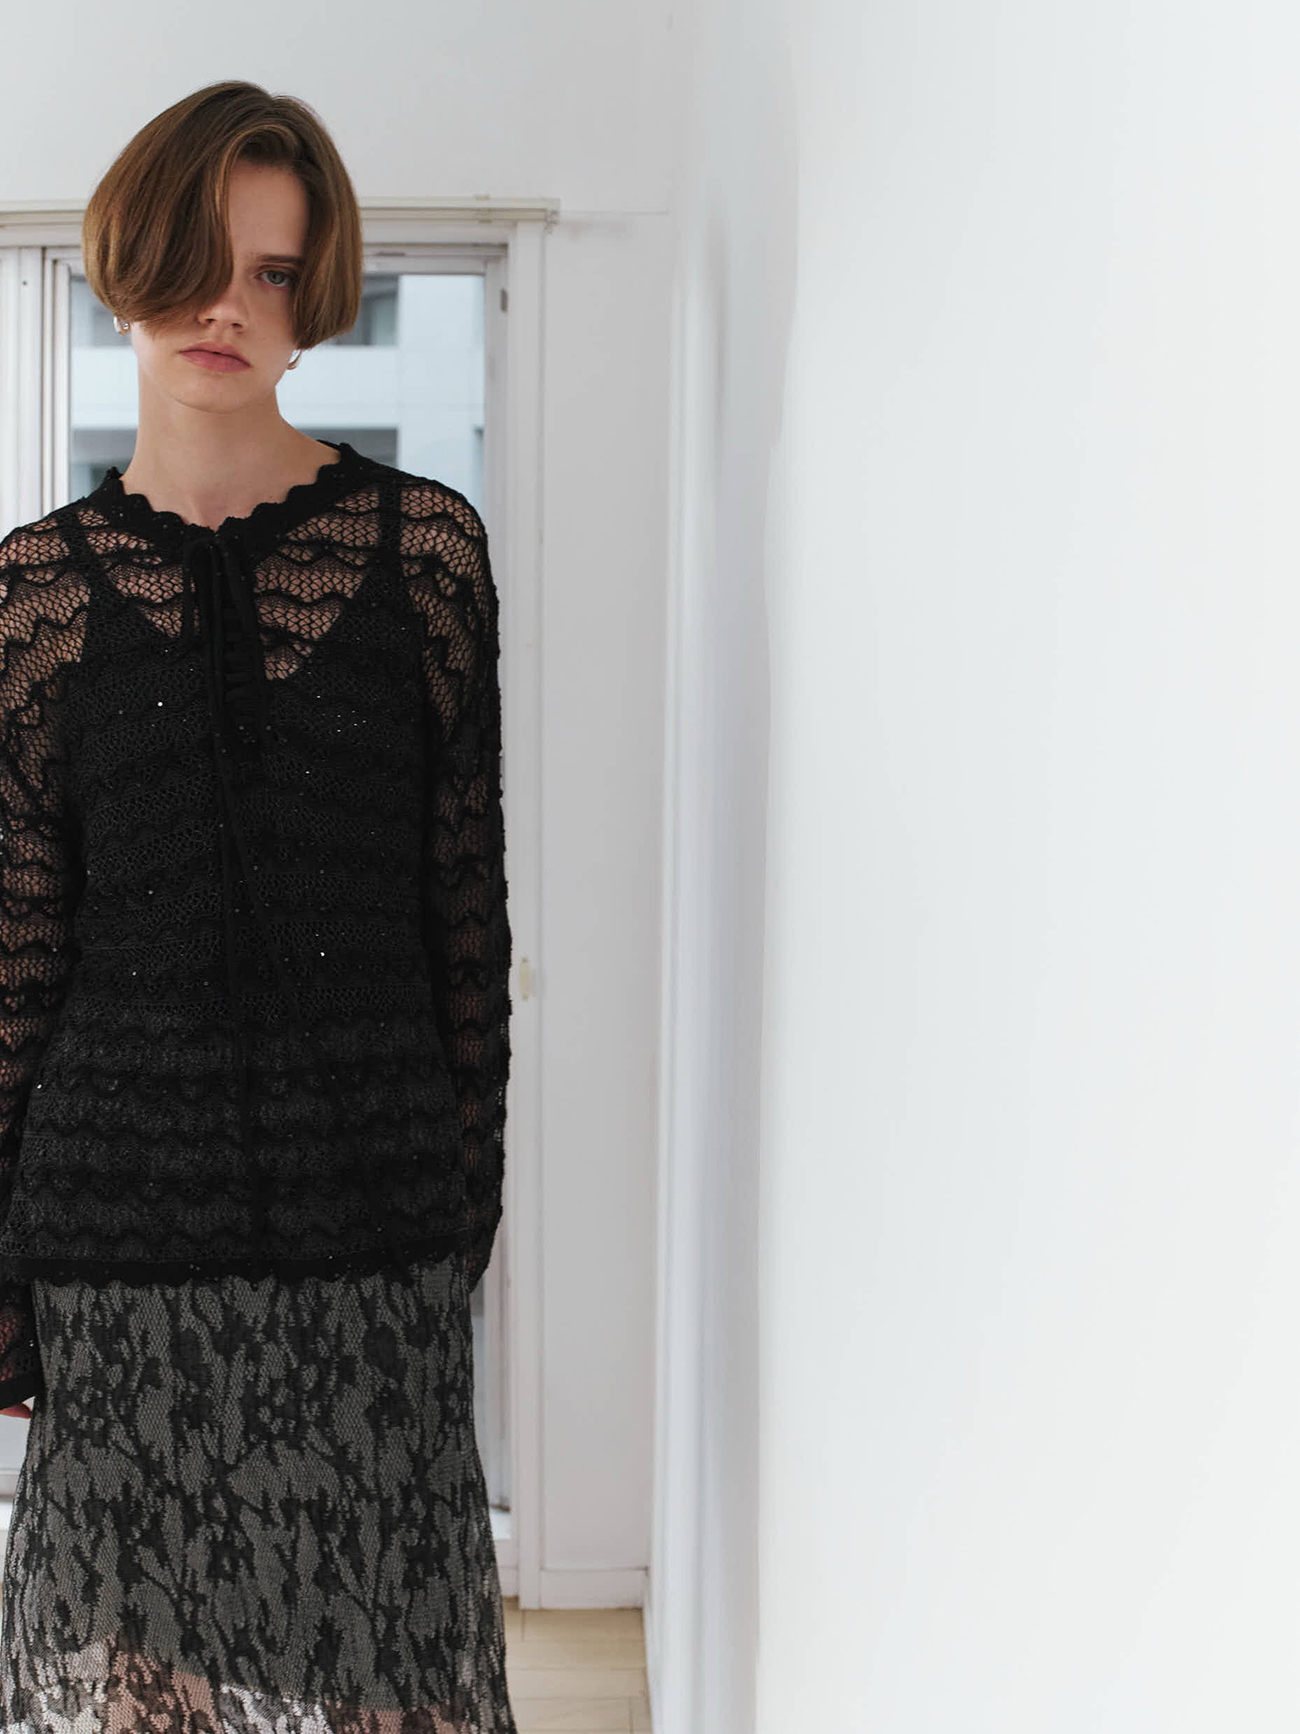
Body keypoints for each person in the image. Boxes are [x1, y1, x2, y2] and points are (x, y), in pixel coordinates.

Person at [0, 80, 517, 1731]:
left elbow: (466, 924)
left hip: (372, 1221)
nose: (228, 306)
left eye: (275, 274)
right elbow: (15, 968)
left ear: (317, 298)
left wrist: (458, 1217)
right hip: (117, 1240)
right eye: (197, 260)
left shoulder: (426, 552)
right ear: (124, 265)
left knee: (388, 1674)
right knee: (139, 1683)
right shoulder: (30, 596)